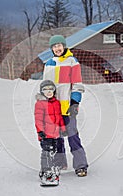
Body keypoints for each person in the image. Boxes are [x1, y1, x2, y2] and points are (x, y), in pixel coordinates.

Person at [43, 35, 88, 177]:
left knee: (72, 135)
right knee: (56, 136)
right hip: (54, 107)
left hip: (68, 107)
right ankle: (60, 162)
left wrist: (75, 103)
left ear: (64, 46)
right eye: (54, 46)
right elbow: (46, 86)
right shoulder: (49, 63)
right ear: (51, 49)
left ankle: (80, 165)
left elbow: (77, 84)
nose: (57, 48)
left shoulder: (72, 61)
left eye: (59, 45)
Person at [34, 80, 67, 185]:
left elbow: (60, 117)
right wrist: (40, 131)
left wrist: (63, 129)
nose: (48, 92)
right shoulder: (40, 104)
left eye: (51, 89)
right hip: (45, 135)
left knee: (54, 151)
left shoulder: (57, 103)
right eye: (45, 89)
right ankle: (46, 171)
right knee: (47, 153)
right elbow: (38, 119)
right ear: (41, 91)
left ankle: (53, 168)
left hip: (55, 134)